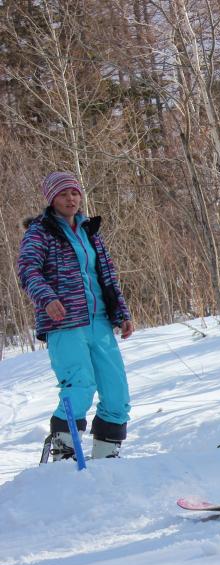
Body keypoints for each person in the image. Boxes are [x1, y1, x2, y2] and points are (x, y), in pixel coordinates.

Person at [17, 171, 133, 461]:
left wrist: (121, 312)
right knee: (80, 386)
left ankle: (106, 461)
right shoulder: (40, 232)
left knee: (117, 393)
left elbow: (106, 275)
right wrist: (47, 298)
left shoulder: (89, 230)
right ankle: (64, 452)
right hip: (64, 323)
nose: (70, 198)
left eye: (74, 193)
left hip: (100, 321)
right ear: (51, 199)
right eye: (63, 194)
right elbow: (28, 269)